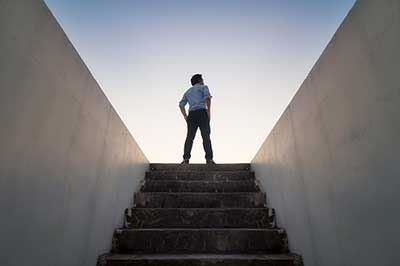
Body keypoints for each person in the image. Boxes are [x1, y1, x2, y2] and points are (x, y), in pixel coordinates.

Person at [179, 74, 215, 165]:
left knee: (189, 137)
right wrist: (209, 112)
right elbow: (208, 98)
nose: (203, 80)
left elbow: (181, 105)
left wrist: (185, 116)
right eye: (202, 79)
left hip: (191, 115)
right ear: (199, 80)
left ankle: (186, 159)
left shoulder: (188, 92)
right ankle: (209, 159)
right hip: (202, 113)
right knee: (206, 136)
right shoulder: (203, 87)